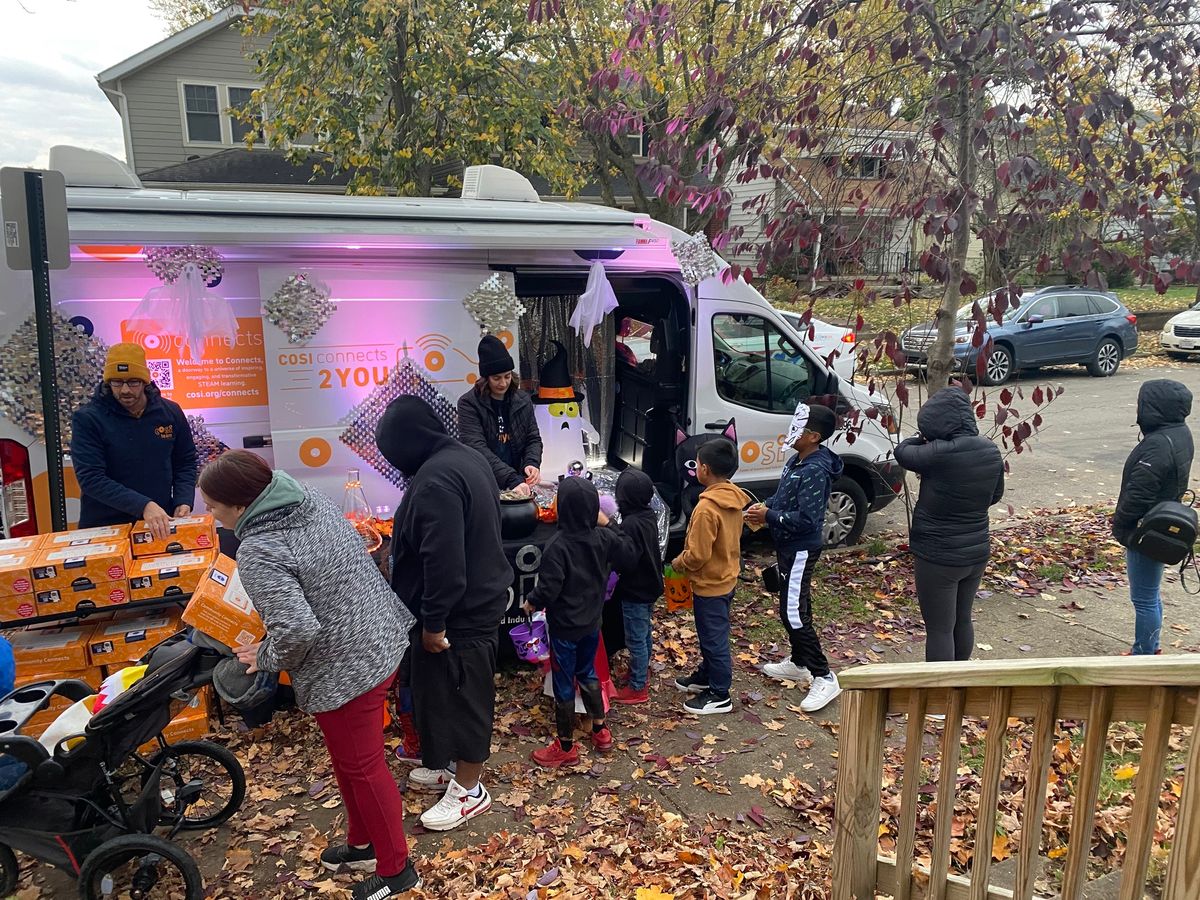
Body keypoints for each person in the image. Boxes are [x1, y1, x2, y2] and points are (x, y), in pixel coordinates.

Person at [197, 450, 419, 900]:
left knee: (363, 765)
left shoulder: (259, 549)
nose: (209, 512)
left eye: (213, 504)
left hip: (346, 664)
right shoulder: (307, 499)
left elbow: (296, 629)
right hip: (379, 633)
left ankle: (397, 870)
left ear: (240, 507)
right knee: (348, 760)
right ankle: (362, 843)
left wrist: (264, 655)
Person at [376, 396, 510, 831]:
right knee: (440, 692)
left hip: (460, 612)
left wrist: (434, 623)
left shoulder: (435, 481)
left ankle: (470, 789)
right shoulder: (464, 456)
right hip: (475, 596)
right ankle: (446, 766)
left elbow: (445, 562)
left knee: (465, 695)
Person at [522, 477, 631, 767]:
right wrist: (608, 523)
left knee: (564, 683)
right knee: (588, 674)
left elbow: (549, 588)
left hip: (565, 629)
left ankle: (566, 745)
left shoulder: (557, 546)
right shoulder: (603, 537)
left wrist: (532, 601)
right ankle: (600, 729)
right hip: (592, 623)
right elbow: (628, 551)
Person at [893, 387, 1005, 663]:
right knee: (962, 619)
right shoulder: (990, 449)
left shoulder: (938, 453)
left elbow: (902, 451)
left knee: (940, 629)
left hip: (938, 556)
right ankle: (960, 684)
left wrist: (921, 438)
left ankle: (939, 700)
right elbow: (996, 495)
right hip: (976, 552)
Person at [747, 403, 845, 712]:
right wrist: (763, 509)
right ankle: (800, 661)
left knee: (793, 612)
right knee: (794, 607)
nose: (791, 432)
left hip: (801, 548)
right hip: (786, 546)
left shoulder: (816, 470)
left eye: (798, 428)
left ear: (814, 436)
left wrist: (770, 515)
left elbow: (806, 519)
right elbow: (784, 497)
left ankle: (824, 676)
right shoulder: (797, 460)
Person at [71, 343, 197, 541]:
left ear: (145, 381)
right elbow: (91, 478)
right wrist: (144, 505)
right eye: (117, 383)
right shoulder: (88, 419)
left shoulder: (170, 412)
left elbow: (185, 461)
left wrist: (183, 499)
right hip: (106, 527)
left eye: (133, 382)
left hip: (160, 523)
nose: (125, 390)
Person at [1112, 379, 1194, 655]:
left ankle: (1144, 654)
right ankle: (1150, 647)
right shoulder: (1180, 432)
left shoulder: (1158, 445)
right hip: (1164, 520)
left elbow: (1139, 493)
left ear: (1153, 407)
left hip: (1148, 529)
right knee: (1150, 593)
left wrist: (1122, 527)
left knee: (1144, 598)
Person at [670, 438, 749, 715]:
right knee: (711, 635)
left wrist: (678, 562)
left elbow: (698, 555)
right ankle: (706, 677)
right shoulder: (734, 497)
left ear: (704, 469)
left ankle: (719, 693)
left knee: (713, 638)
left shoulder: (706, 508)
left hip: (710, 584)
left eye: (699, 464)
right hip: (727, 576)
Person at [457, 335, 542, 495]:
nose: (503, 383)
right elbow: (476, 448)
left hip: (517, 480)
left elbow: (533, 438)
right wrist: (511, 479)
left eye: (507, 376)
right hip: (483, 482)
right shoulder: (468, 404)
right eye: (496, 378)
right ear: (486, 378)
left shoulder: (523, 400)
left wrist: (532, 463)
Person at [610, 469, 664, 705]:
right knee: (644, 635)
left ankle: (638, 687)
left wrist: (611, 530)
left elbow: (627, 558)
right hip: (650, 585)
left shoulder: (631, 524)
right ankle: (642, 672)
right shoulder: (648, 515)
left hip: (636, 591)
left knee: (636, 639)